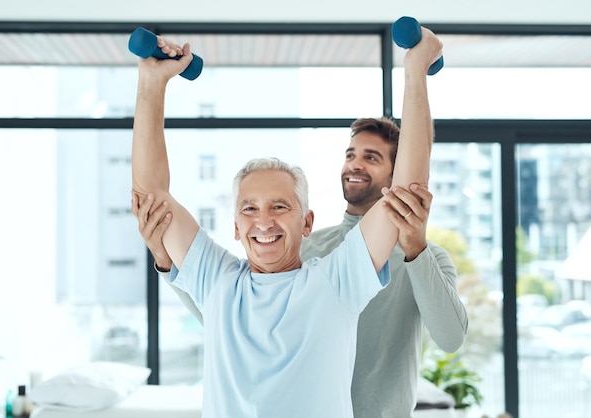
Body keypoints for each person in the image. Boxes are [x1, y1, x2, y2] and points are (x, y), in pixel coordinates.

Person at [131, 26, 442, 418]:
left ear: (306, 222)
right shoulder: (217, 280)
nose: (263, 221)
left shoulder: (335, 281)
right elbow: (151, 198)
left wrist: (414, 71)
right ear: (235, 227)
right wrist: (151, 83)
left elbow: (406, 192)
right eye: (249, 209)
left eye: (279, 207)